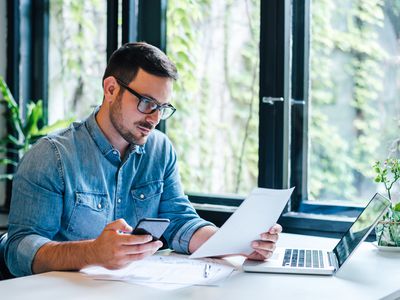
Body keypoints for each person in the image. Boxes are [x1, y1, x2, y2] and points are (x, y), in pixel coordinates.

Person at [4, 42, 282, 277]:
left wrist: (239, 243)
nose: (154, 119)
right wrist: (91, 252)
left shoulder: (160, 151)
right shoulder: (51, 156)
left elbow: (179, 220)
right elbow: (18, 250)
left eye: (162, 108)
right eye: (147, 103)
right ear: (111, 89)